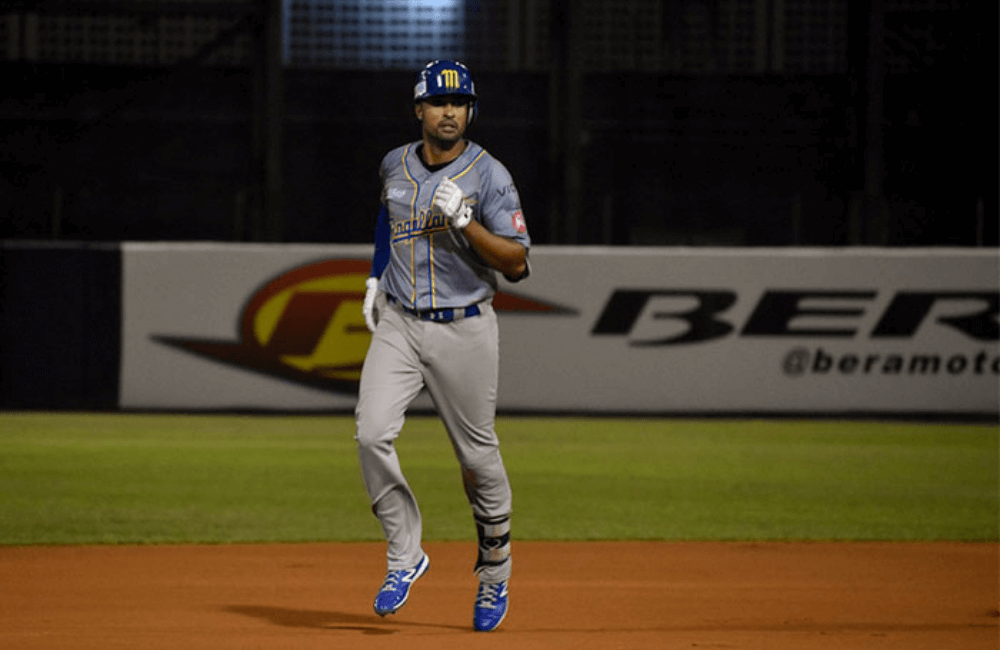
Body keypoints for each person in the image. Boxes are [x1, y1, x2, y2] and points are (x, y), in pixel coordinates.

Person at [355, 59, 531, 633]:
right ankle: (405, 555)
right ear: (419, 110)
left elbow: (519, 263)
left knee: (476, 458)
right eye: (439, 102)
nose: (450, 111)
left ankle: (495, 571)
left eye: (460, 102)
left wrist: (468, 225)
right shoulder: (394, 163)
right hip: (401, 324)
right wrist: (377, 277)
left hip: (465, 326)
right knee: (370, 432)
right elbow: (388, 216)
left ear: (469, 110)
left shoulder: (490, 175)